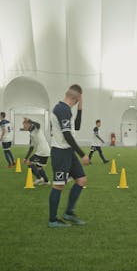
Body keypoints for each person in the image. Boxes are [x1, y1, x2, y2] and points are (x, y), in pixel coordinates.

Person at [48, 84, 89, 228]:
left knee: (81, 180)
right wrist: (82, 154)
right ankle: (52, 220)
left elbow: (76, 127)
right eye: (79, 99)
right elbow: (67, 135)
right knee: (59, 186)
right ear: (76, 97)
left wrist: (80, 108)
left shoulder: (67, 110)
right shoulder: (61, 109)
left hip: (68, 151)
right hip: (60, 152)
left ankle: (69, 213)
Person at [22, 118, 50, 185]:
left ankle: (39, 178)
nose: (23, 127)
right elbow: (31, 148)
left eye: (24, 125)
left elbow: (38, 124)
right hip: (45, 151)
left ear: (29, 124)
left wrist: (30, 120)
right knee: (39, 167)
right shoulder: (31, 134)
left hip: (42, 151)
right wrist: (25, 158)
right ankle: (46, 181)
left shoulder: (36, 128)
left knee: (29, 162)